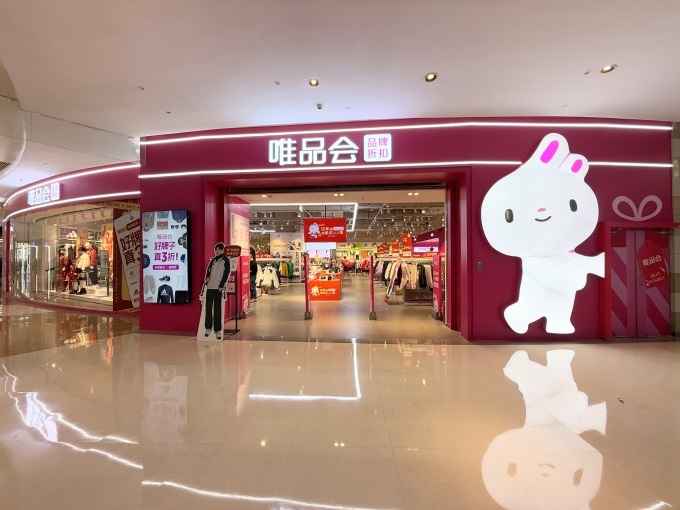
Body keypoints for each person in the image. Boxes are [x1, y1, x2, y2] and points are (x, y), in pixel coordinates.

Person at [203, 243, 230, 340]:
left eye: (219, 249)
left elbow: (226, 273)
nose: (217, 251)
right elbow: (208, 271)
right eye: (216, 250)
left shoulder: (225, 260)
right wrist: (207, 277)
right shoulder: (213, 260)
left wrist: (221, 285)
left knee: (217, 309)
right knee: (208, 308)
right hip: (210, 287)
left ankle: (217, 330)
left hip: (218, 288)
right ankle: (208, 328)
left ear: (222, 250)